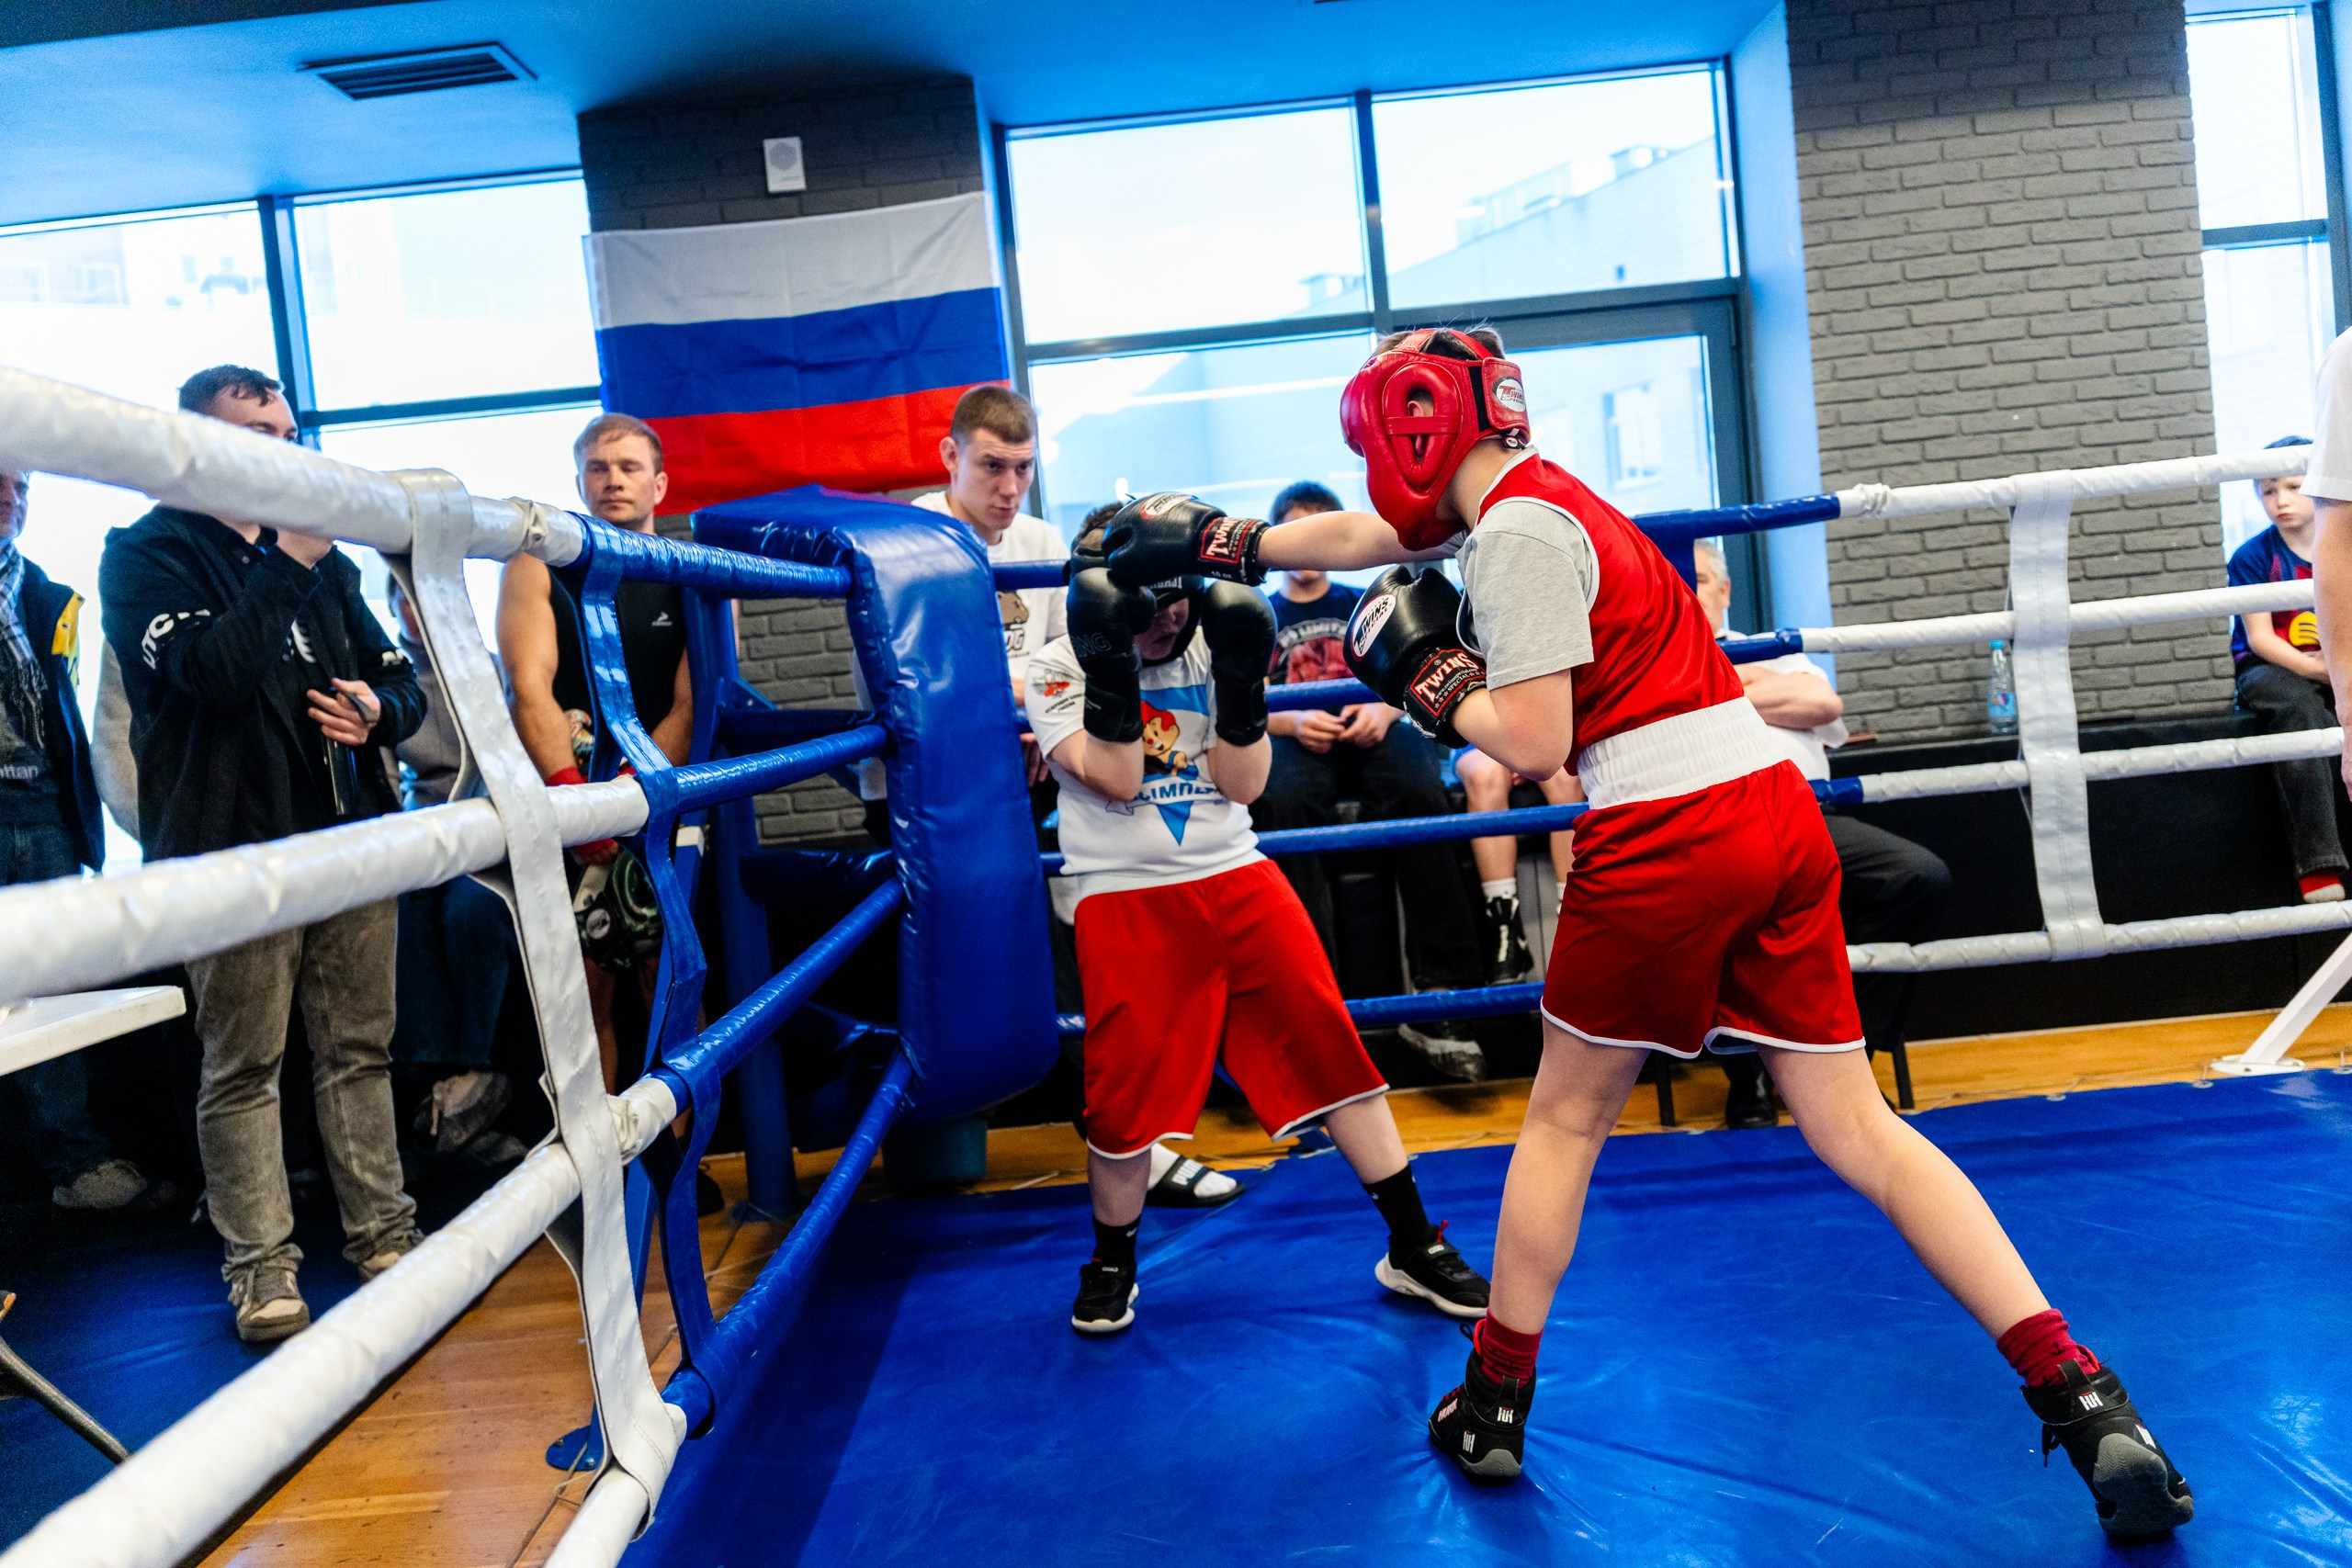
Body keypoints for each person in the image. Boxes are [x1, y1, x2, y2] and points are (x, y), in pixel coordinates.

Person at [1102, 327, 2193, 1537]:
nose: (1373, 474)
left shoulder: (1512, 536)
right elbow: (1382, 538)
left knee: (1567, 1115)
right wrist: (1230, 539)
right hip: (1771, 810)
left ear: (1411, 433)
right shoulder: (1544, 495)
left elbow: (1528, 740)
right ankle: (2085, 1394)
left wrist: (1419, 668)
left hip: (1664, 826)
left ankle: (1496, 1399)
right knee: (1858, 1126)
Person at [1024, 523, 1488, 1335]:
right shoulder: (1058, 666)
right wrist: (1113, 669)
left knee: (1330, 1047)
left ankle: (1414, 1242)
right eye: (1149, 606)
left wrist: (1240, 683)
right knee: (1123, 1095)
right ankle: (1110, 1261)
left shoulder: (1219, 635)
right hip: (1126, 890)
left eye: (1178, 601)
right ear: (1108, 600)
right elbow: (1122, 777)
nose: (1169, 621)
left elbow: (1242, 785)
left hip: (1236, 872)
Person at [100, 365, 424, 1343]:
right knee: (243, 1067)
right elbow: (216, 674)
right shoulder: (144, 554)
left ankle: (384, 1236)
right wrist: (289, 557)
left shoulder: (325, 564)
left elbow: (399, 682)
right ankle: (260, 1270)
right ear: (197, 441)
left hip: (347, 838)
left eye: (291, 434)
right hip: (230, 852)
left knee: (358, 1052)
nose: (287, 452)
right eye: (259, 435)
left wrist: (379, 712)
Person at [1691, 541, 1950, 1129]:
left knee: (1917, 877)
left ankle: (1847, 1060)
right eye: (1681, 582)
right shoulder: (1654, 661)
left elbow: (1819, 701)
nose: (1693, 591)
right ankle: (1754, 1071)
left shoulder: (1772, 651)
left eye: (1703, 580)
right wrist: (1749, 691)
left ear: (1725, 591)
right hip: (1719, 821)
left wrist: (1720, 686)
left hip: (1811, 813)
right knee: (1725, 897)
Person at [1252, 479, 1487, 1081]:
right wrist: (1290, 719)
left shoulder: (1370, 597)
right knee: (1279, 802)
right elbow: (1240, 700)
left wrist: (1387, 708)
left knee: (1419, 789)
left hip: (1376, 726)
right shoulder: (1259, 616)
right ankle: (1309, 998)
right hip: (1297, 737)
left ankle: (1444, 992)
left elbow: (1418, 667)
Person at [498, 412, 695, 1095]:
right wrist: (578, 798)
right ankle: (605, 1180)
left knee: (671, 990)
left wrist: (632, 798)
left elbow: (692, 705)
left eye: (629, 467)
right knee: (585, 995)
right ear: (579, 480)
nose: (612, 480)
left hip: (661, 798)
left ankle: (675, 1173)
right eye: (598, 468)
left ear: (659, 484)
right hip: (570, 802)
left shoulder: (690, 570)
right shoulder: (538, 563)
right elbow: (529, 687)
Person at [0, 467, 153, 1213]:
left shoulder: (44, 591)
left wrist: (84, 824)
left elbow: (66, 720)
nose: (11, 498)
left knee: (52, 990)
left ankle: (74, 1159)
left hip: (43, 811)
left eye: (22, 486)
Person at [385, 579, 522, 1168]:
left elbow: (516, 764)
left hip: (492, 826)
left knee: (473, 908)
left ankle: (476, 1071)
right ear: (391, 607)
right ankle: (433, 1079)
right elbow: (387, 791)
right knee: (402, 910)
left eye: (423, 596)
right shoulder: (385, 685)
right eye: (402, 600)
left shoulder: (491, 671)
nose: (415, 611)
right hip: (424, 834)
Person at [2226, 437, 2344, 904]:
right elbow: (2260, 639)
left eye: (2293, 486)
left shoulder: (2345, 546)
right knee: (2299, 710)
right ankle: (2319, 867)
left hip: (2333, 660)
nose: (2281, 501)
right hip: (2273, 667)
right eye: (2267, 491)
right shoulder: (2252, 556)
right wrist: (2321, 673)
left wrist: (2338, 669)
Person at [1452, 750, 1577, 983]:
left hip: (1549, 737)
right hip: (1482, 739)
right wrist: (1510, 753)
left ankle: (1574, 922)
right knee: (1484, 776)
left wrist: (1528, 755)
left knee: (1567, 779)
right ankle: (1505, 931)